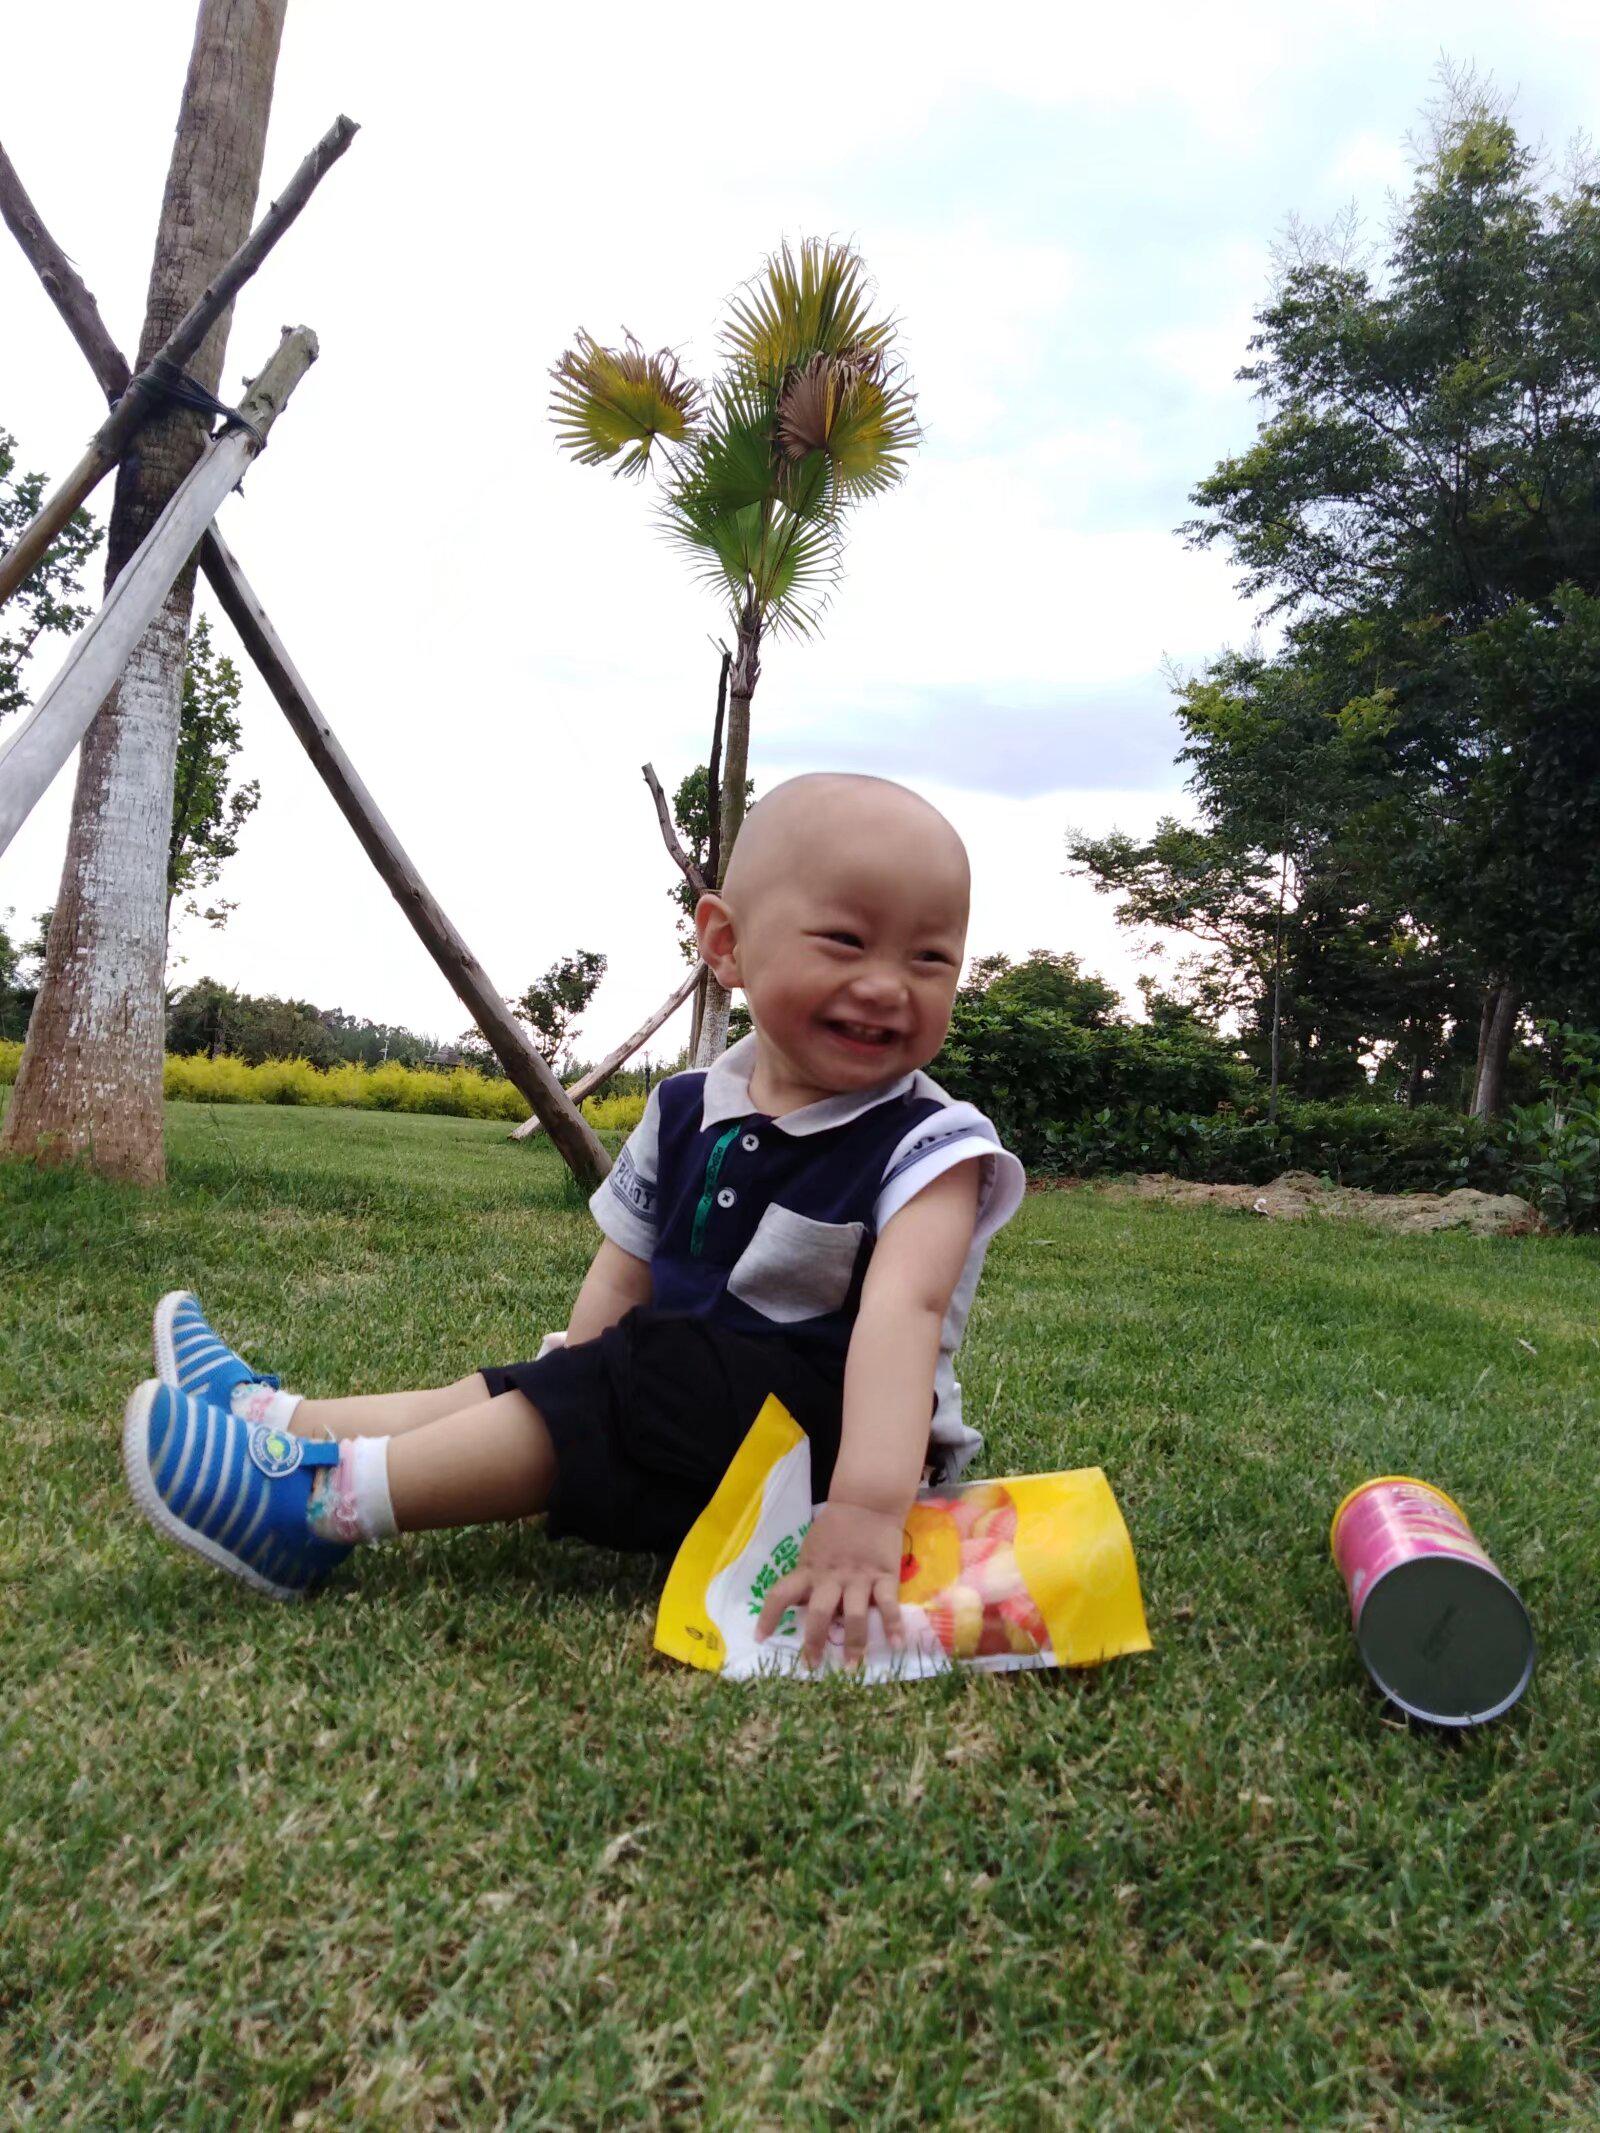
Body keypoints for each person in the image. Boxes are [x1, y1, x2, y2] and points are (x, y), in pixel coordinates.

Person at [123, 774, 1025, 1667]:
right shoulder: (685, 1106)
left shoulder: (932, 1145)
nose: (887, 986)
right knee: (537, 1379)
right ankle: (277, 1420)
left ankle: (320, 1508)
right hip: (682, 1404)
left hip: (827, 1459)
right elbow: (623, 1270)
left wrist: (865, 1512)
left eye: (929, 959)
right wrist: (567, 1393)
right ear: (727, 943)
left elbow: (904, 1318)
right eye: (847, 942)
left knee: (631, 1373)